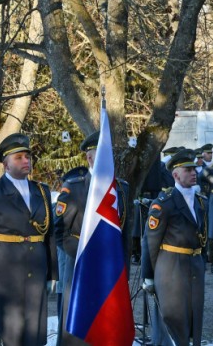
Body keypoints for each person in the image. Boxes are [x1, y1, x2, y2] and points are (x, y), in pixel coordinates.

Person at [0, 133, 57, 345]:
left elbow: (49, 234)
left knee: (32, 333)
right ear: (5, 164)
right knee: (10, 333)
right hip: (2, 272)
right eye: (19, 157)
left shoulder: (41, 192)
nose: (26, 161)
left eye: (27, 156)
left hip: (35, 271)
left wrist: (53, 273)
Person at [54, 131, 130, 344]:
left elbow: (125, 235)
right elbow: (60, 232)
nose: (110, 158)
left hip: (111, 268)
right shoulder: (75, 188)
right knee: (77, 328)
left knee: (109, 325)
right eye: (104, 153)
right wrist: (83, 253)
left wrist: (124, 269)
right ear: (90, 158)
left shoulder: (121, 188)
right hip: (79, 264)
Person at [142, 149, 207, 345]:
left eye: (194, 168)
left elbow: (202, 236)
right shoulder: (163, 204)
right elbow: (150, 241)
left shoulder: (200, 202)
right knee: (174, 318)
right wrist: (148, 275)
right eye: (188, 170)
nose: (193, 172)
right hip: (171, 268)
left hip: (194, 264)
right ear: (175, 174)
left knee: (194, 316)